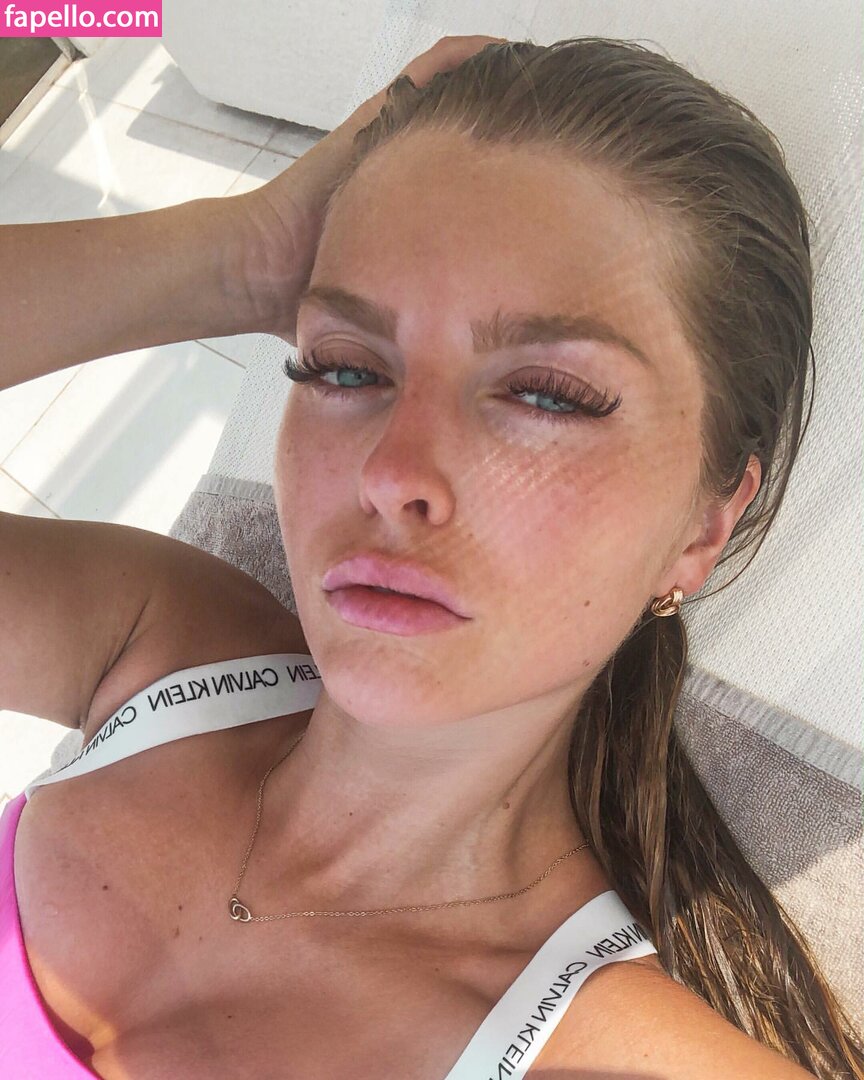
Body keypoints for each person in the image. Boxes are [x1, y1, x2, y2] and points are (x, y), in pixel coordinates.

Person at [0, 32, 860, 1080]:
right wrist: (237, 259)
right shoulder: (157, 647)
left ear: (703, 528)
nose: (391, 472)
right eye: (343, 367)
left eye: (546, 395)